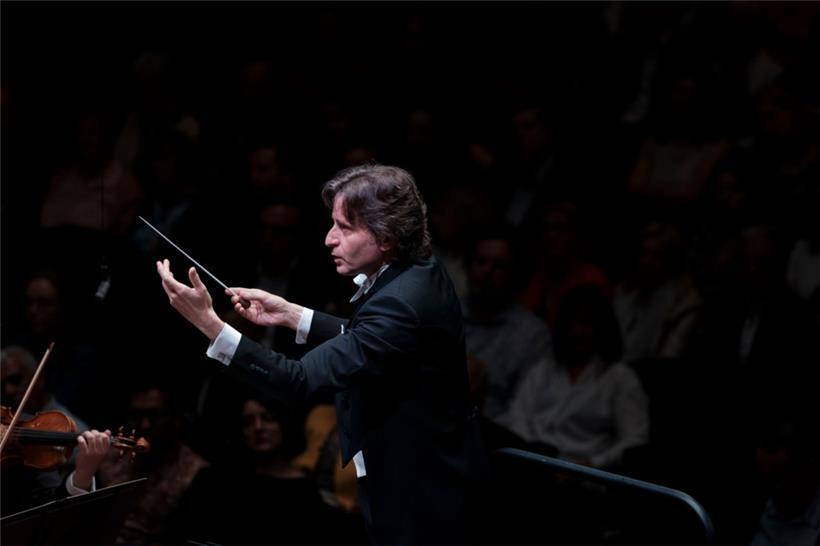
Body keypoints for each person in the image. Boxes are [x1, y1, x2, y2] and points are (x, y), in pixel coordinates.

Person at [155, 164, 495, 544]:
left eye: (345, 228)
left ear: (386, 237)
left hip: (422, 491)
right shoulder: (417, 269)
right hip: (424, 473)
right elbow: (375, 340)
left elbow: (298, 381)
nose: (329, 239)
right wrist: (290, 314)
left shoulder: (402, 301)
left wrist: (210, 325)